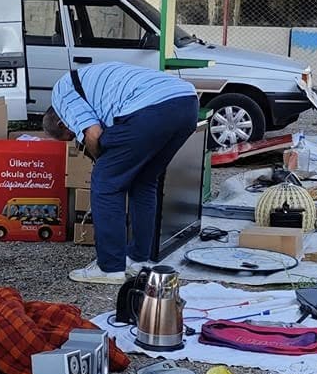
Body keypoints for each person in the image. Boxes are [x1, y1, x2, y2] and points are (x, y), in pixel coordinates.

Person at [41, 61, 200, 284]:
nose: (76, 139)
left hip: (150, 109)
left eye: (71, 135)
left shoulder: (62, 94)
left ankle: (110, 267)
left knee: (105, 184)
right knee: (144, 182)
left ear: (60, 121)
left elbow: (93, 135)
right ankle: (139, 260)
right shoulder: (90, 86)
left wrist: (102, 164)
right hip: (186, 104)